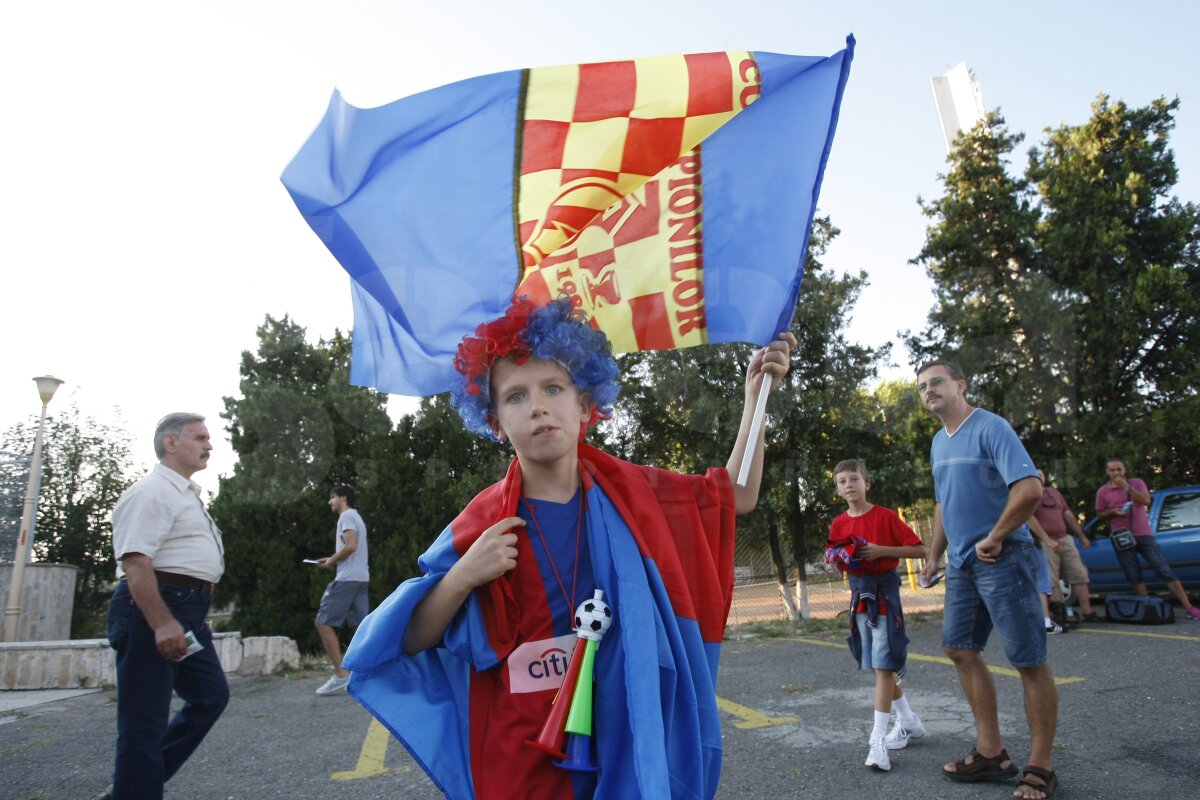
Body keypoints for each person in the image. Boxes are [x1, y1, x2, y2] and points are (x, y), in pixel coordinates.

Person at [340, 297, 794, 799]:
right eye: (515, 397)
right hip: (521, 752)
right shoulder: (484, 520)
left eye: (553, 388)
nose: (537, 405)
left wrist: (757, 397)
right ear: (494, 422)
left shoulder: (636, 494)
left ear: (583, 405)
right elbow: (408, 640)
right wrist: (462, 576)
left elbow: (737, 494)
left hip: (622, 726)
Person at [916, 360, 1059, 800]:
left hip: (1002, 557)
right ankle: (991, 752)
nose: (927, 391)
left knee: (1028, 659)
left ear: (961, 384)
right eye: (920, 387)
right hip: (961, 564)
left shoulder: (991, 427)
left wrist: (996, 536)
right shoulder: (940, 442)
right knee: (959, 648)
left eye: (936, 382)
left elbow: (1029, 489)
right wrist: (934, 554)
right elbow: (944, 504)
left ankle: (1041, 766)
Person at [102, 413, 229, 800]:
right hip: (154, 608)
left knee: (210, 696)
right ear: (171, 443)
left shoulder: (185, 493)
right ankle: (137, 788)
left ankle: (137, 785)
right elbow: (135, 561)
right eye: (200, 437)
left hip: (186, 611)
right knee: (144, 724)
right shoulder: (152, 491)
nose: (209, 444)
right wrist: (161, 623)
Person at [827, 458, 928, 772]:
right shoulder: (838, 523)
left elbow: (920, 549)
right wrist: (836, 557)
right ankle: (909, 721)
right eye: (842, 481)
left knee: (884, 667)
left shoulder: (885, 516)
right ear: (838, 489)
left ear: (866, 483)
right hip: (859, 595)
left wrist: (882, 550)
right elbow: (834, 554)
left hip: (884, 593)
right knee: (878, 667)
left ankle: (877, 742)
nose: (849, 485)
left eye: (854, 479)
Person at [1095, 458, 1200, 619]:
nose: (1116, 473)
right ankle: (1147, 608)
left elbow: (1146, 500)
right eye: (1112, 470)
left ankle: (1188, 607)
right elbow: (1100, 514)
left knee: (1163, 569)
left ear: (1125, 470)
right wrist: (1112, 513)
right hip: (1122, 538)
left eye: (1119, 469)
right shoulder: (1103, 491)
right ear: (1107, 472)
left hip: (1143, 534)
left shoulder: (1136, 483)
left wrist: (1127, 488)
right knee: (1133, 574)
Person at [312, 484, 370, 695]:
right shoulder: (357, 517)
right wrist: (332, 559)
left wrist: (331, 563)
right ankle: (369, 673)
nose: (330, 502)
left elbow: (351, 546)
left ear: (343, 498)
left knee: (323, 623)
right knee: (360, 628)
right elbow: (352, 550)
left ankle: (340, 675)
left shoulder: (346, 517)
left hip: (347, 579)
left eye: (332, 497)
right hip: (361, 578)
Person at [1033, 469, 1098, 623]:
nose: (1038, 477)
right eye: (1034, 474)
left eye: (1040, 474)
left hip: (1064, 539)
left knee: (1079, 574)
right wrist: (1046, 539)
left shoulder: (1054, 493)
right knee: (1051, 578)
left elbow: (1067, 514)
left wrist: (1081, 536)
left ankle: (1087, 612)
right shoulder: (1031, 494)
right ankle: (1060, 613)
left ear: (1045, 478)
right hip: (1045, 542)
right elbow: (1028, 518)